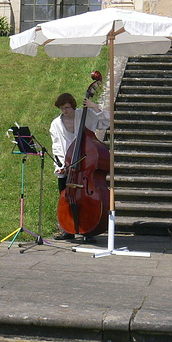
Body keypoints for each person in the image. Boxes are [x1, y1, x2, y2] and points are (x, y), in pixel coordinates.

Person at [50, 92, 110, 243]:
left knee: (87, 200)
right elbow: (57, 147)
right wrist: (60, 166)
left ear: (73, 106)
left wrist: (95, 107)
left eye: (67, 108)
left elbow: (107, 122)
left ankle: (88, 230)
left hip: (86, 167)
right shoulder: (56, 124)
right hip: (68, 167)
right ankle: (68, 230)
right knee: (67, 199)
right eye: (62, 108)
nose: (65, 111)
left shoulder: (86, 114)